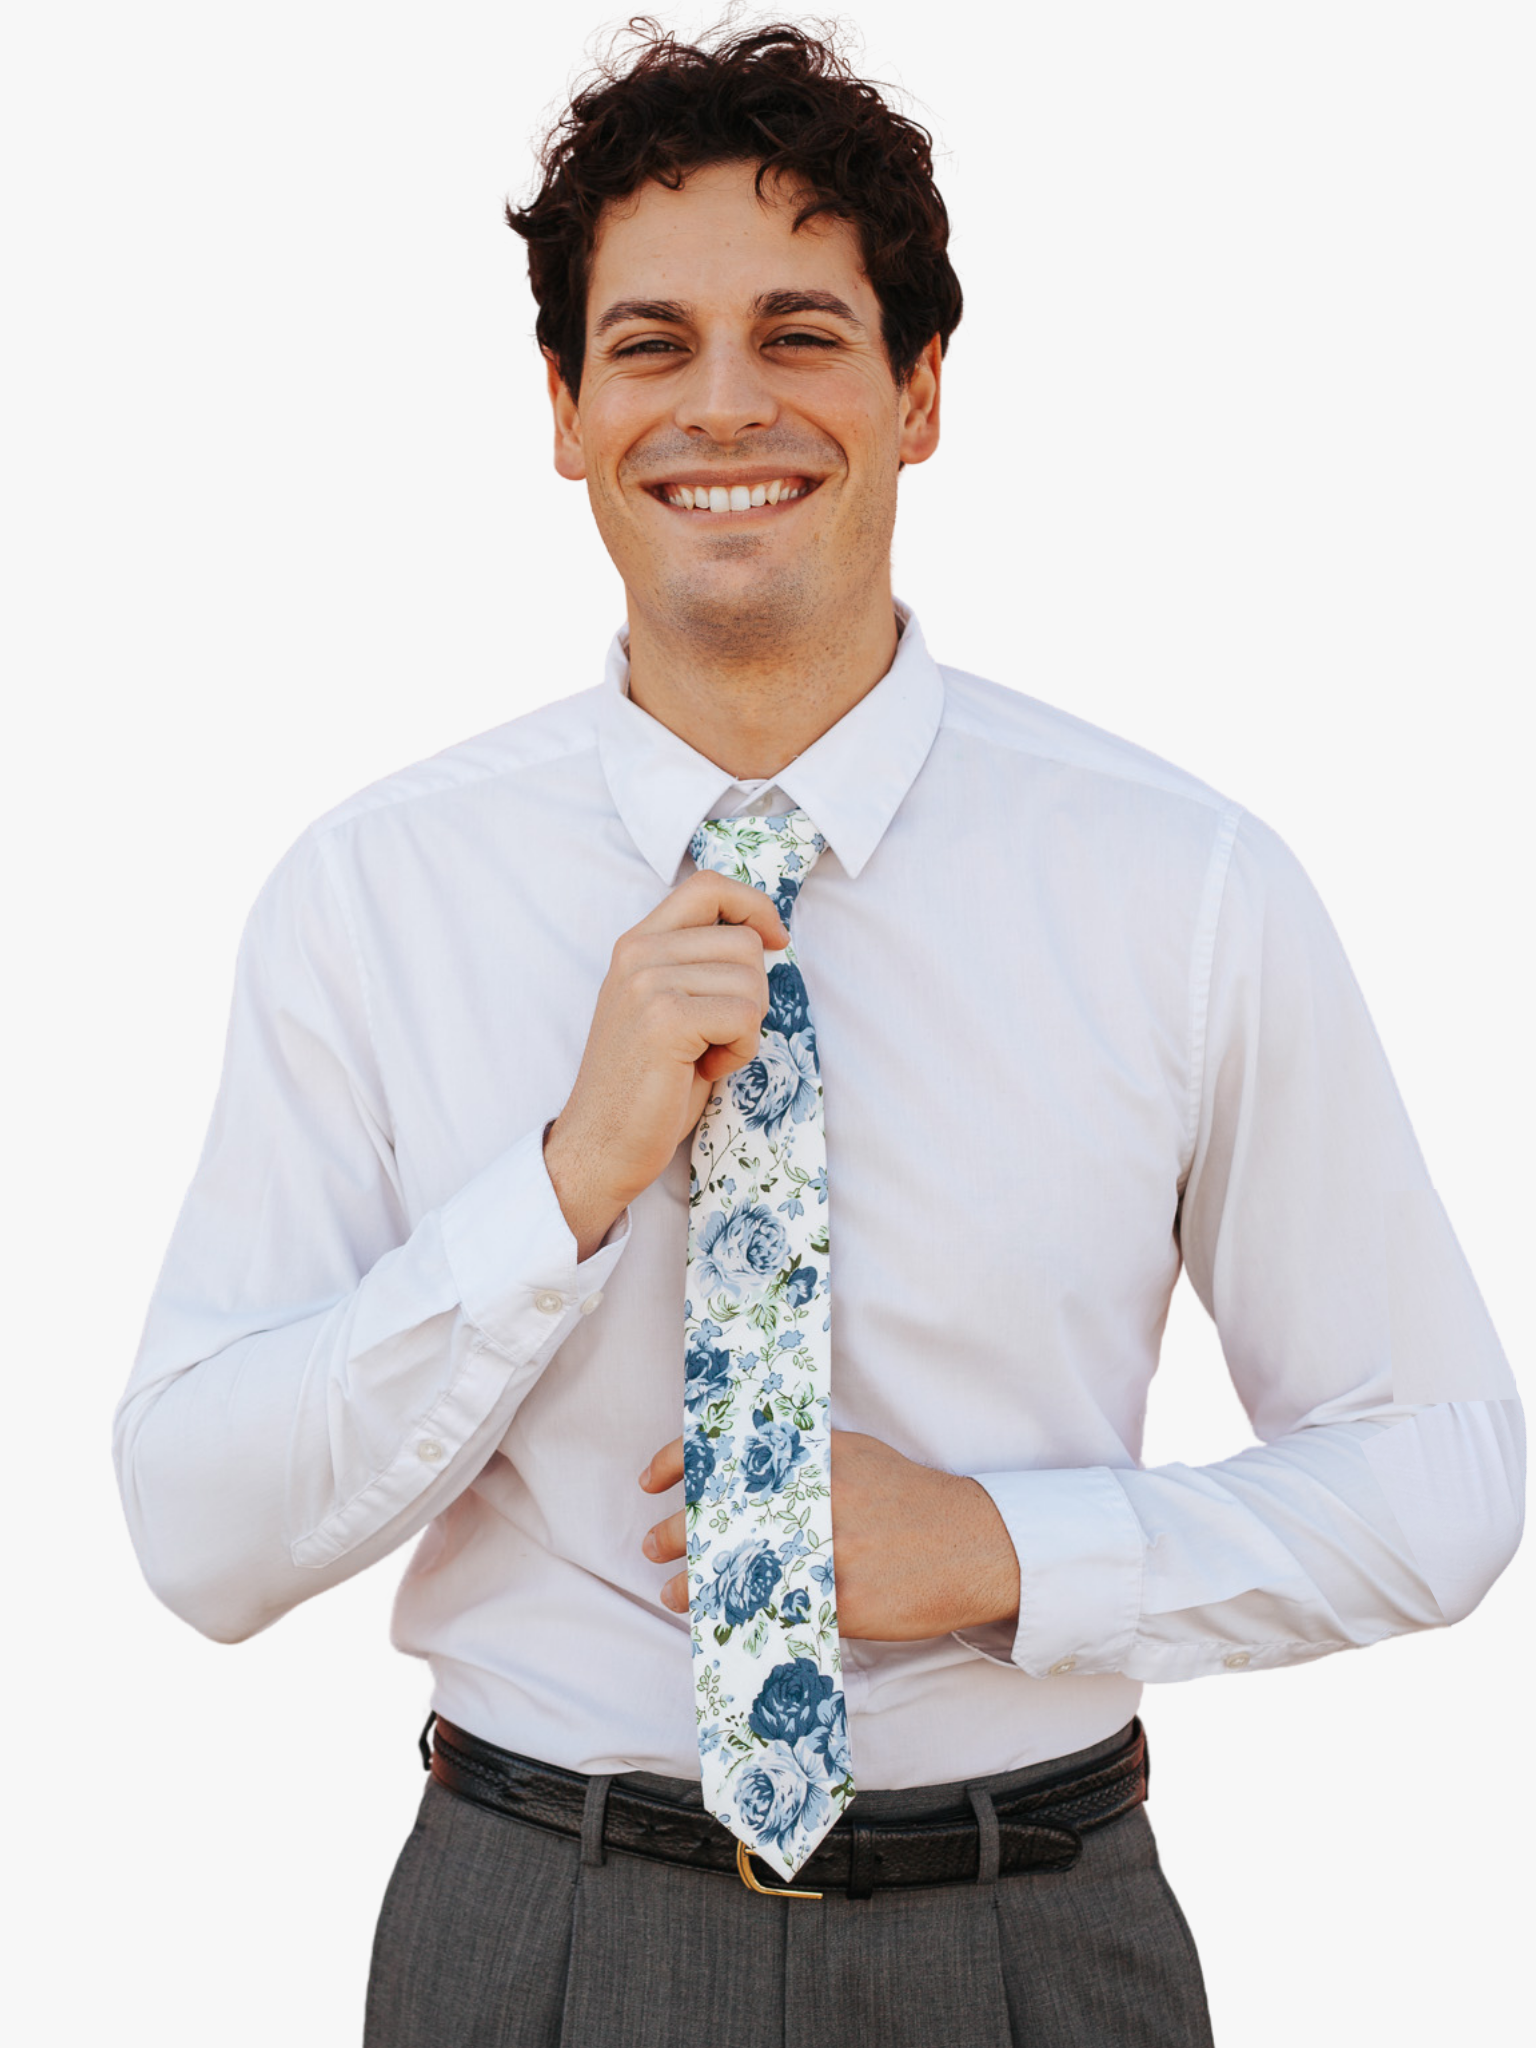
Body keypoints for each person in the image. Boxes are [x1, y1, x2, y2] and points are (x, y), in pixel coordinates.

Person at [114, 22, 1522, 2046]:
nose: (724, 405)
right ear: (564, 409)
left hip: (1032, 1935)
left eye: (800, 332)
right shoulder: (369, 898)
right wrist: (560, 1188)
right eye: (650, 343)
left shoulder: (1184, 883)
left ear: (921, 391)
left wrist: (1004, 1552)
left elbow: (1444, 1467)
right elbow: (197, 1527)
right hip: (541, 1935)